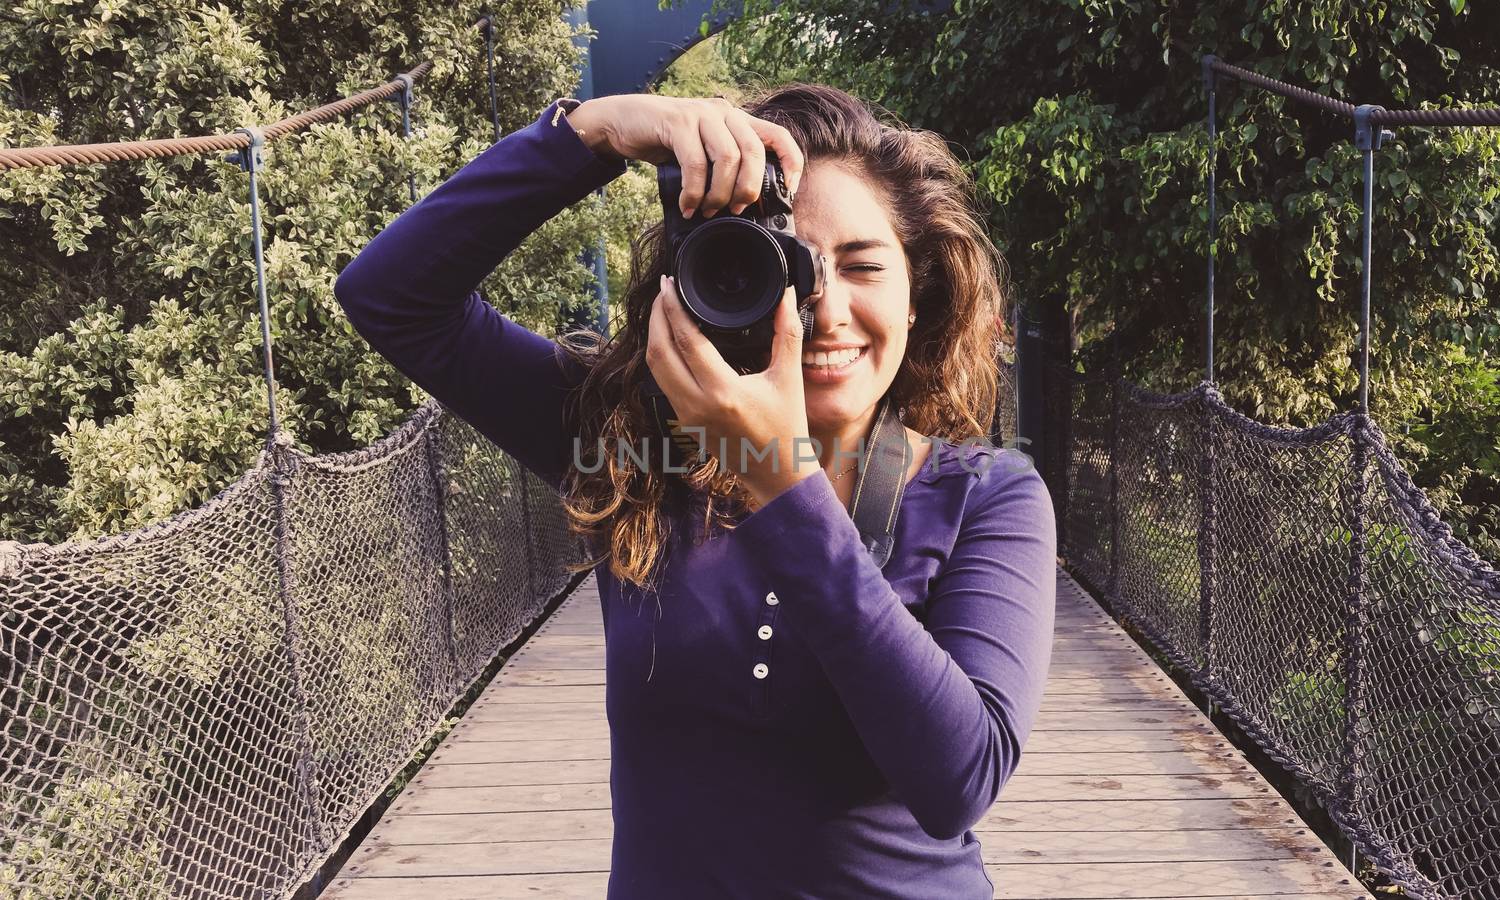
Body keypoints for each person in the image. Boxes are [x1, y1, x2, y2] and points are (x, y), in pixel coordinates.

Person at [334, 83, 1057, 900]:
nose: (819, 311)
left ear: (916, 291)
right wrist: (594, 132)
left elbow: (960, 780)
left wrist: (784, 482)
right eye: (784, 267)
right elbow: (390, 297)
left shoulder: (989, 496)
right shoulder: (634, 448)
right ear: (710, 279)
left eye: (861, 266)